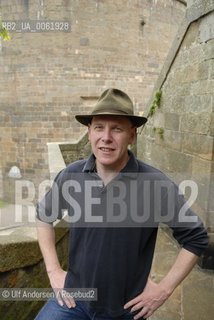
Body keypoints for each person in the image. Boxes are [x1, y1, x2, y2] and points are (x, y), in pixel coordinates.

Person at [35, 88, 208, 320]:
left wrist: (163, 290)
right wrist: (54, 271)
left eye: (116, 128)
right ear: (89, 132)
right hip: (72, 300)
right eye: (99, 127)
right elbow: (43, 216)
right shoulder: (71, 175)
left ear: (132, 135)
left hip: (124, 309)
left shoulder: (155, 184)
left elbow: (196, 238)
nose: (106, 137)